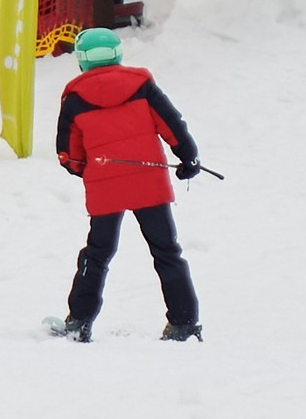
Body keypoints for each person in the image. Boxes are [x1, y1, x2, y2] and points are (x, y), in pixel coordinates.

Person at [47, 28, 203, 343]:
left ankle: (79, 322)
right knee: (167, 252)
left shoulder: (74, 97)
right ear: (117, 54)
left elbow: (68, 153)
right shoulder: (142, 86)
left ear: (82, 61)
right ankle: (183, 324)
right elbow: (173, 124)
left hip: (105, 188)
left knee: (97, 253)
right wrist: (188, 159)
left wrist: (85, 171)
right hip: (150, 182)